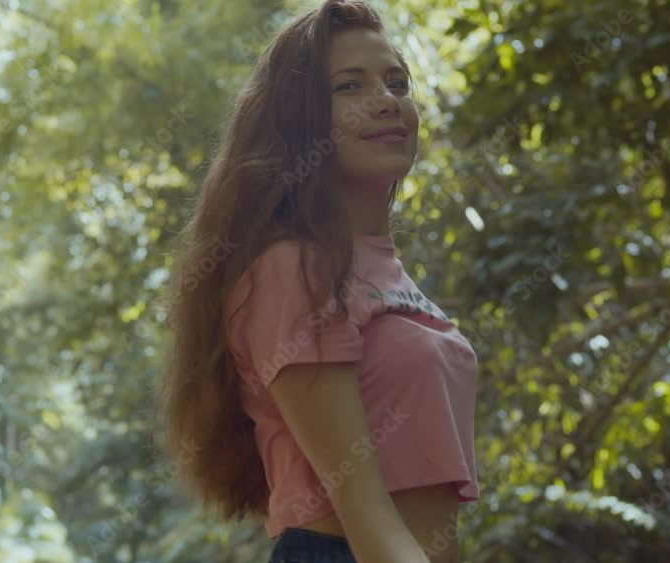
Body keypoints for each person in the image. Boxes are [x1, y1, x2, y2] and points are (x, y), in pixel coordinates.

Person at [155, 1, 478, 562]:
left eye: (397, 82)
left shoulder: (382, 270)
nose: (386, 101)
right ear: (300, 120)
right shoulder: (291, 271)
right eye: (349, 87)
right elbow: (367, 517)